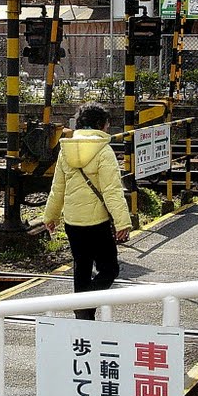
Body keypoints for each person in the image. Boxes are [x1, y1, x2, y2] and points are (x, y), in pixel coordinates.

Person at [44, 102, 131, 319]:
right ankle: (85, 306)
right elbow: (112, 191)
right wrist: (123, 222)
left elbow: (58, 188)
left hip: (73, 223)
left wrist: (51, 216)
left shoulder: (66, 150)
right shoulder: (104, 150)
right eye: (107, 125)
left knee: (81, 268)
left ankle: (83, 318)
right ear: (101, 125)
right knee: (109, 269)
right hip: (97, 223)